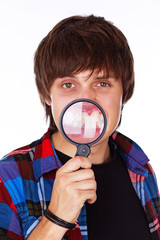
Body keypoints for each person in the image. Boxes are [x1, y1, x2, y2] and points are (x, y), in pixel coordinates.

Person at [0, 15, 159, 240]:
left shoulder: (141, 170)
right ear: (47, 95)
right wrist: (55, 220)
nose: (86, 100)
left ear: (125, 93)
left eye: (102, 83)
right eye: (69, 85)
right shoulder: (7, 179)